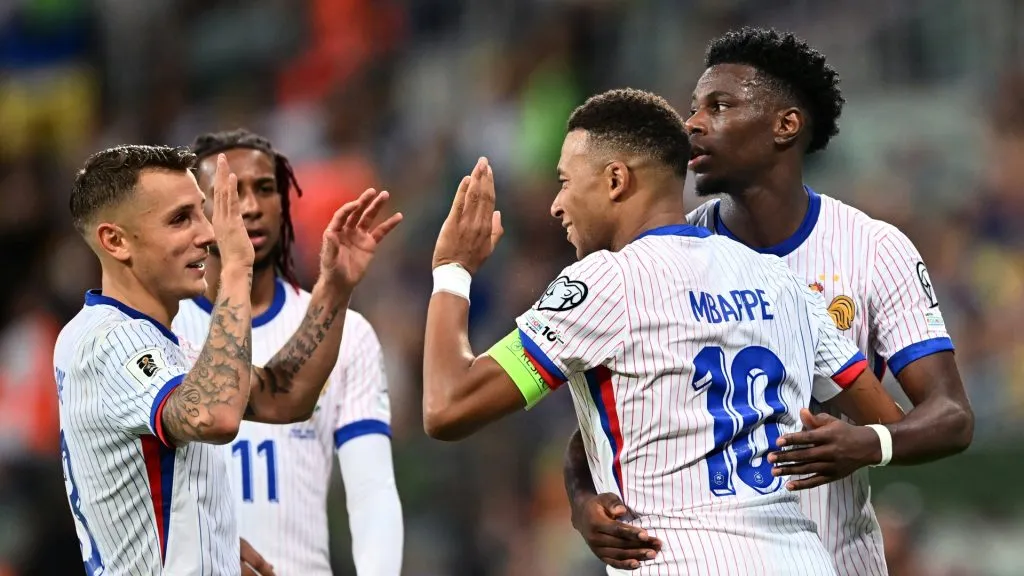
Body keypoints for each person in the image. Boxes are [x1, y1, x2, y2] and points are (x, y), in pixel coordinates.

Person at [421, 88, 904, 575]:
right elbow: (887, 422)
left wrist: (452, 269)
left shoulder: (608, 282)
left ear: (615, 180)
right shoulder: (780, 280)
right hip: (801, 560)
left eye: (566, 182)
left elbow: (447, 407)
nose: (557, 205)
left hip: (679, 558)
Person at [563, 28, 975, 575]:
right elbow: (605, 415)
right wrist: (581, 501)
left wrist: (867, 443)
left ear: (785, 125)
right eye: (694, 107)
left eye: (720, 105)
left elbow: (951, 417)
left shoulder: (873, 249)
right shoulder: (664, 260)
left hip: (836, 557)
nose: (693, 124)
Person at [55, 144, 397, 575]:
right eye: (181, 219)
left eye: (203, 211)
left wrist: (335, 286)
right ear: (115, 241)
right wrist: (237, 268)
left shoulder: (149, 340)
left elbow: (282, 397)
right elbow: (213, 414)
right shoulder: (111, 341)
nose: (209, 234)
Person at [172, 129, 404, 575]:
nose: (252, 207)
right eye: (230, 192)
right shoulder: (162, 330)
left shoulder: (348, 333)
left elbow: (372, 491)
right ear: (197, 211)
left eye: (265, 189)